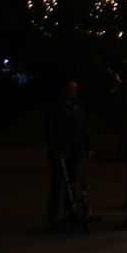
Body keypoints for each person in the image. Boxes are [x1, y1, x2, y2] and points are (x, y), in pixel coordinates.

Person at [44, 80, 90, 228]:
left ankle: (69, 211)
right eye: (70, 88)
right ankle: (54, 215)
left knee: (73, 183)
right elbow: (50, 131)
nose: (73, 91)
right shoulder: (55, 108)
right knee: (57, 183)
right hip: (61, 151)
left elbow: (84, 129)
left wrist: (88, 147)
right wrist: (55, 148)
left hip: (75, 150)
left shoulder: (79, 107)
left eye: (75, 88)